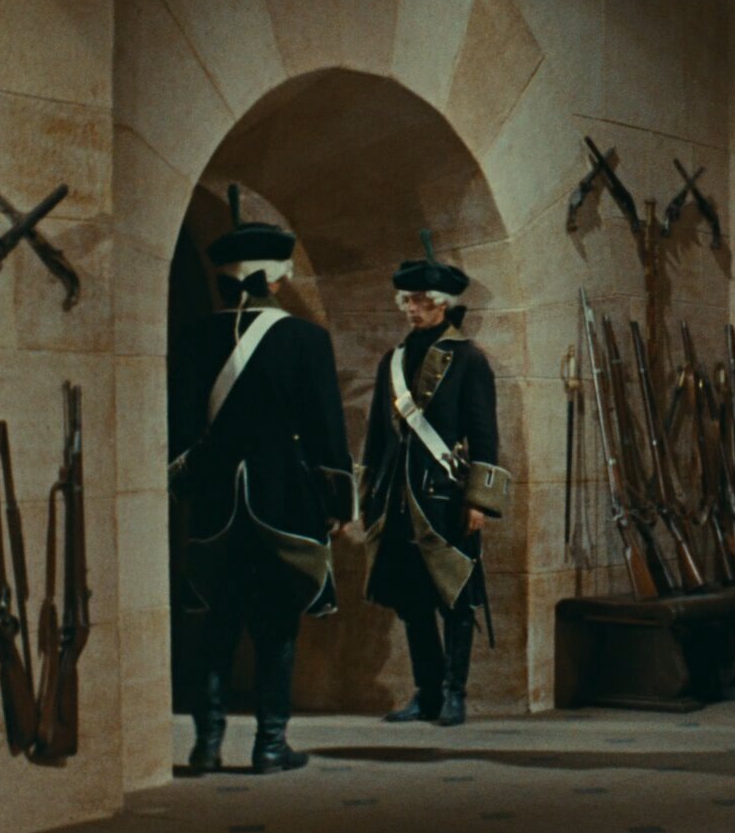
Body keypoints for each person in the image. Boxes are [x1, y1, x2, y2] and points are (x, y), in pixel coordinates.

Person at [168, 186, 354, 775]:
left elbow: (178, 429)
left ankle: (206, 746)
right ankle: (270, 746)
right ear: (274, 279)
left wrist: (188, 485)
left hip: (215, 503)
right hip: (283, 502)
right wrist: (337, 500)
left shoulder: (194, 338)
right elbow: (326, 429)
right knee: (276, 624)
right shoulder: (305, 340)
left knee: (215, 624)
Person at [360, 233, 510, 728]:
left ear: (442, 303)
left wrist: (479, 502)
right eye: (407, 300)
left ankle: (453, 693)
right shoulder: (392, 361)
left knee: (455, 598)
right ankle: (425, 693)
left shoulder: (468, 359)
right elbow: (377, 435)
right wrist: (368, 495)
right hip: (398, 499)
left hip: (445, 498)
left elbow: (484, 435)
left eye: (420, 301)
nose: (411, 309)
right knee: (412, 601)